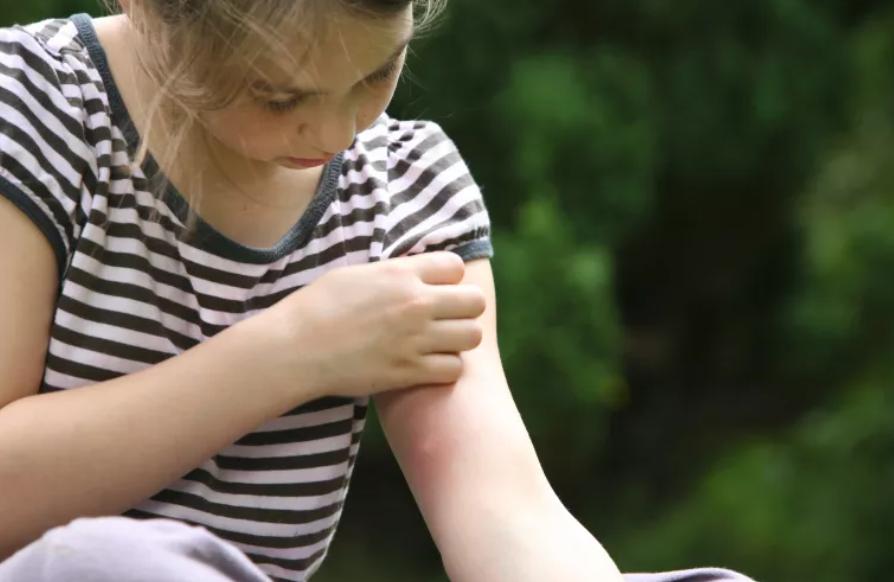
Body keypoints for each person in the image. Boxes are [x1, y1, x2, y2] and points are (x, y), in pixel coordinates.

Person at [0, 1, 755, 581]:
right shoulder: (35, 106)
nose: (337, 130)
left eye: (374, 75)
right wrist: (293, 353)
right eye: (275, 95)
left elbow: (502, 514)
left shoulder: (408, 189)